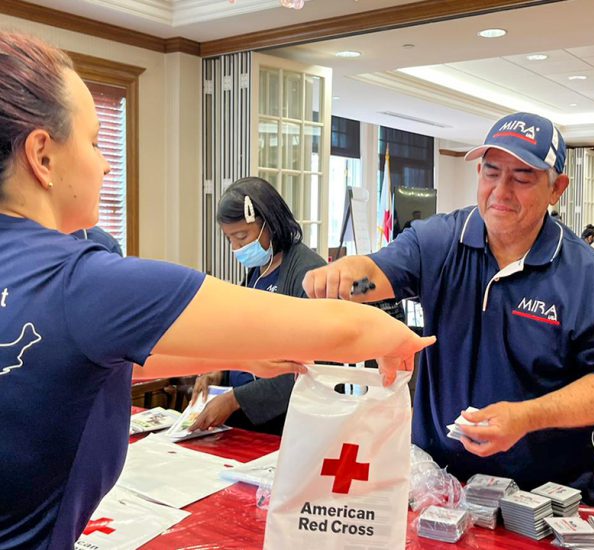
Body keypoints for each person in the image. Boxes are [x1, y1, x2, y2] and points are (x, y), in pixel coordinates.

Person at [0, 32, 435, 548]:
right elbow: (337, 327)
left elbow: (80, 367)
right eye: (94, 142)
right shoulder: (82, 279)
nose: (105, 163)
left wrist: (253, 353)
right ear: (42, 156)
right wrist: (396, 338)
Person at [303, 111, 594, 506]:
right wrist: (346, 278)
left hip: (547, 501)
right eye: (492, 172)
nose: (501, 190)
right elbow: (373, 275)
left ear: (557, 188)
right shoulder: (440, 240)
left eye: (522, 177)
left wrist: (525, 417)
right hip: (436, 485)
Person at [189, 177, 326, 435]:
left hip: (286, 423)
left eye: (242, 236)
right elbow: (243, 337)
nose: (236, 248)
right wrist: (220, 372)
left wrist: (234, 400)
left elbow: (304, 368)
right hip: (246, 419)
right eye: (230, 239)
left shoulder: (307, 273)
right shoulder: (257, 272)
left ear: (270, 225)